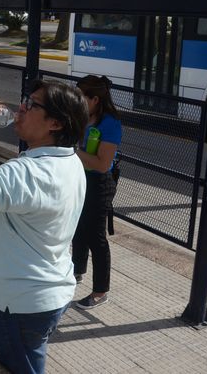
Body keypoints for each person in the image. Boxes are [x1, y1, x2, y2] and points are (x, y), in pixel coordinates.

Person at [0, 81, 88, 374]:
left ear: (56, 123)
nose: (20, 107)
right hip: (40, 292)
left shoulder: (36, 172)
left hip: (21, 305)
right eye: (25, 100)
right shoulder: (66, 159)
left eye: (32, 104)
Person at [72, 75, 122, 311]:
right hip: (81, 178)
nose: (77, 101)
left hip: (99, 182)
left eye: (81, 97)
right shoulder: (84, 116)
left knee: (96, 238)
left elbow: (103, 164)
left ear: (94, 99)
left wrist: (73, 151)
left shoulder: (110, 124)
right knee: (78, 228)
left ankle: (101, 291)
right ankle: (76, 270)